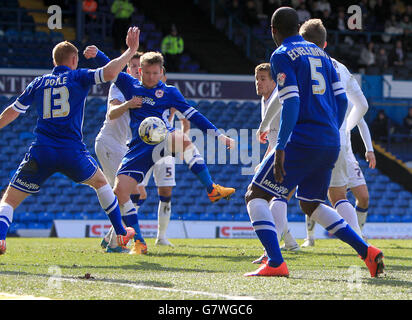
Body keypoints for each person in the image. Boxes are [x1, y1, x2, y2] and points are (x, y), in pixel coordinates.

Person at [243, 7, 384, 278]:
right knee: (311, 203)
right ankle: (366, 250)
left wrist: (281, 145)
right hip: (332, 140)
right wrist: (332, 129)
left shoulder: (281, 55)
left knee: (255, 194)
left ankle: (275, 261)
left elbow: (292, 101)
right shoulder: (324, 55)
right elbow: (343, 100)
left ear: (274, 31)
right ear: (298, 27)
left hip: (302, 140)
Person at [0, 28, 142, 255]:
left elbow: (12, 112)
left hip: (42, 150)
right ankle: (121, 232)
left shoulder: (38, 82)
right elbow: (111, 71)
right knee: (101, 183)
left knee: (9, 199)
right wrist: (131, 50)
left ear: (54, 61)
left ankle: (0, 238)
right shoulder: (79, 76)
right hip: (72, 152)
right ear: (74, 60)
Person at [107, 51, 236, 255]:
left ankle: (211, 188)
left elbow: (195, 116)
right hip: (139, 147)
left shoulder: (170, 92)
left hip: (162, 139)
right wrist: (97, 53)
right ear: (140, 71)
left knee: (181, 138)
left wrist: (220, 136)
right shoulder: (130, 85)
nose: (151, 77)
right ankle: (139, 243)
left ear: (161, 72)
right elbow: (109, 67)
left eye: (155, 73)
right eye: (147, 72)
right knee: (120, 191)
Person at [298, 18, 375, 247]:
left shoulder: (298, 64)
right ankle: (359, 243)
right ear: (325, 43)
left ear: (301, 42)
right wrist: (345, 128)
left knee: (308, 195)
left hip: (310, 139)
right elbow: (363, 106)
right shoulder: (340, 67)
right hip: (338, 141)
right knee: (337, 196)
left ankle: (285, 244)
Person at [253, 62, 300, 258]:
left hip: (292, 150)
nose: (258, 83)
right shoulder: (265, 102)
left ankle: (270, 251)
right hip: (280, 152)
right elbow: (274, 138)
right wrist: (265, 160)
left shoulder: (278, 97)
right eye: (256, 79)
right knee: (278, 196)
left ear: (274, 82)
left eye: (263, 79)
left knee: (275, 196)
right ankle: (290, 242)